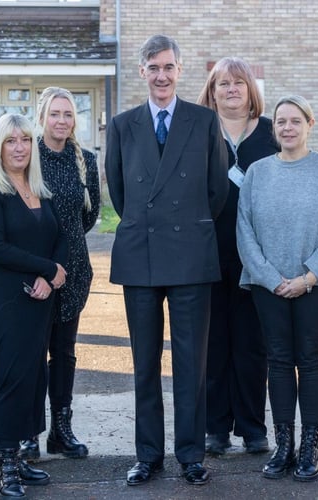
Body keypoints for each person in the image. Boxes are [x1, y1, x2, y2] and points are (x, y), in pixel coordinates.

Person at [105, 34, 229, 486]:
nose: (162, 76)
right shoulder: (122, 125)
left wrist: (188, 226)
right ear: (142, 72)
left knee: (191, 363)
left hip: (191, 256)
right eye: (153, 68)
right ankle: (148, 455)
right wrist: (148, 223)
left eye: (169, 67)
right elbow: (120, 192)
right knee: (143, 363)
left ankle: (192, 455)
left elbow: (216, 190)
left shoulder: (204, 121)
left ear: (180, 71)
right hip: (141, 255)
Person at [237, 95, 318, 482]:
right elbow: (244, 231)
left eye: (295, 121)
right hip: (266, 284)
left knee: (309, 359)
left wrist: (309, 276)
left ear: (309, 124)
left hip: (316, 285)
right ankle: (283, 445)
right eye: (281, 122)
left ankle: (309, 447)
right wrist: (270, 278)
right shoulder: (257, 172)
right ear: (275, 129)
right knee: (279, 361)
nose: (287, 128)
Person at [0, 113, 68, 498]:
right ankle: (4, 464)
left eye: (25, 140)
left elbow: (57, 235)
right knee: (10, 379)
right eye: (11, 141)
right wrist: (47, 268)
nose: (19, 147)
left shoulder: (38, 187)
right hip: (5, 300)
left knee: (32, 376)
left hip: (39, 298)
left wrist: (51, 274)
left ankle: (20, 456)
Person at [196, 57, 279, 456]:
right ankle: (215, 427)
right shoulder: (197, 132)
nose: (231, 90)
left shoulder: (269, 135)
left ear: (251, 91)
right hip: (207, 253)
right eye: (223, 84)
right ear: (212, 92)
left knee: (251, 344)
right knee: (213, 344)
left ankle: (252, 427)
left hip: (257, 257)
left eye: (238, 84)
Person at [18, 87, 100, 461]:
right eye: (55, 114)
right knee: (32, 353)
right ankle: (28, 432)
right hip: (35, 272)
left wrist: (63, 261)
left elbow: (89, 215)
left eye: (68, 114)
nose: (62, 121)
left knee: (64, 353)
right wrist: (44, 266)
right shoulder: (26, 154)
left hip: (73, 271)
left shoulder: (86, 160)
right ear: (41, 116)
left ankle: (61, 431)